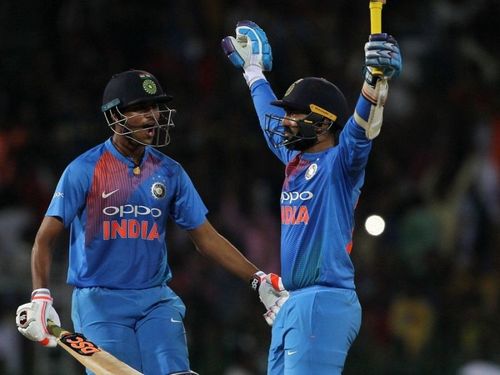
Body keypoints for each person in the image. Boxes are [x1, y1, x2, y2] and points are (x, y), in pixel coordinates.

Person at [15, 69, 289, 375]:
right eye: (142, 109)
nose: (154, 117)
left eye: (156, 108)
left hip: (155, 300)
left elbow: (206, 238)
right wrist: (40, 296)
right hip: (101, 303)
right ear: (116, 115)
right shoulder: (84, 170)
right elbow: (44, 238)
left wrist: (258, 279)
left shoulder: (170, 172)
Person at [221, 21, 402, 373]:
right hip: (295, 301)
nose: (284, 121)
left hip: (325, 300)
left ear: (322, 121)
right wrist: (253, 71)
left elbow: (362, 130)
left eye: (293, 113)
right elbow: (266, 116)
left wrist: (375, 80)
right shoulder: (295, 160)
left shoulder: (341, 163)